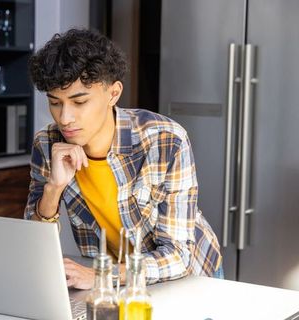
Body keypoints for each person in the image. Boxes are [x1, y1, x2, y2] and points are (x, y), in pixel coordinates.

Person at [24, 28, 222, 290]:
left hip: (188, 279)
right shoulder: (48, 144)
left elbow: (178, 256)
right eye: (55, 103)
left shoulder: (165, 140)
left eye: (79, 102)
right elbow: (32, 244)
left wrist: (100, 277)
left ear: (113, 93)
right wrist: (53, 189)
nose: (64, 118)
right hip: (115, 282)